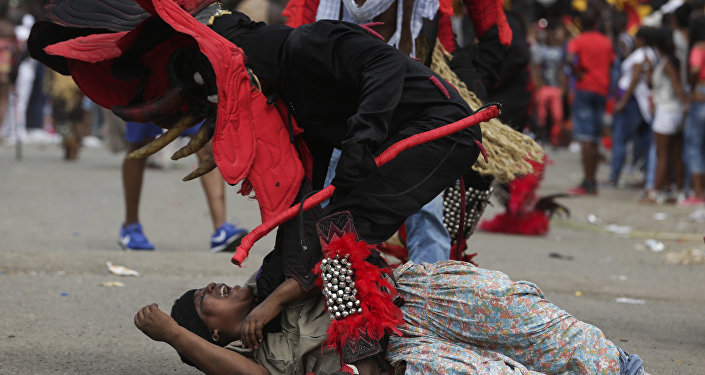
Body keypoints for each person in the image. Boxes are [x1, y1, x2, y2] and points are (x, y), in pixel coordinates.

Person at [134, 256, 650, 375]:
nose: (218, 287)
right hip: (400, 354)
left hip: (418, 297)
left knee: (548, 333)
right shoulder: (266, 358)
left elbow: (333, 242)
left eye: (211, 286)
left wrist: (276, 298)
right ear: (216, 332)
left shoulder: (275, 268)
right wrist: (176, 335)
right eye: (209, 301)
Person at [120, 121, 248, 252]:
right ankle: (131, 226)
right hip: (146, 100)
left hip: (190, 99)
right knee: (141, 144)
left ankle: (222, 231)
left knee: (206, 142)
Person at [566, 8, 615, 195]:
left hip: (585, 88)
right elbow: (611, 63)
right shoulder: (606, 41)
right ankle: (592, 181)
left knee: (586, 138)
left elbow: (570, 59)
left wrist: (578, 73)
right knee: (595, 137)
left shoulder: (578, 40)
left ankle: (588, 181)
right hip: (601, 90)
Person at [641, 28, 687, 204]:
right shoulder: (668, 61)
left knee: (662, 154)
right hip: (672, 110)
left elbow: (676, 86)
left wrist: (686, 102)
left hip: (667, 110)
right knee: (675, 153)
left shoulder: (667, 63)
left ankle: (656, 192)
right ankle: (675, 189)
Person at [608, 27, 657, 189]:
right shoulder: (648, 54)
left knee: (620, 139)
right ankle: (647, 177)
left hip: (632, 101)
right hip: (639, 103)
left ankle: (614, 175)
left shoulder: (641, 56)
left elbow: (635, 79)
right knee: (645, 140)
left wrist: (623, 101)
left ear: (642, 39)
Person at [682, 15, 705, 206]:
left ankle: (698, 193)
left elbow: (695, 69)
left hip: (700, 94)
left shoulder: (699, 47)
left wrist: (691, 88)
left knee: (696, 146)